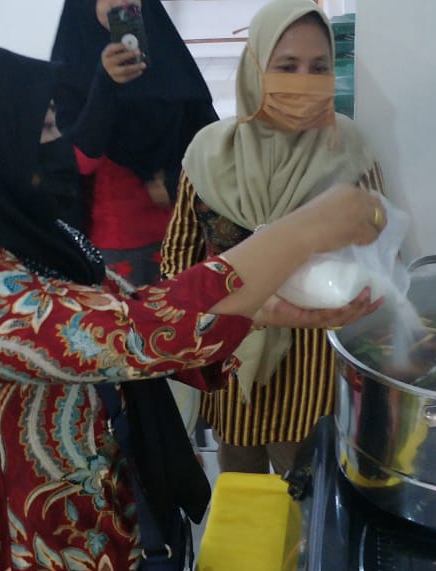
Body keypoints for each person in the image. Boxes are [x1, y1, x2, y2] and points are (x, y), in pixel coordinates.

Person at [0, 45, 384, 571]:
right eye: (40, 132)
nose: (57, 151)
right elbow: (130, 333)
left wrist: (264, 308)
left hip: (110, 551)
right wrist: (306, 228)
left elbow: (126, 311)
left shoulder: (19, 242)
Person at [162, 0, 387, 476]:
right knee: (242, 493)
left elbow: (379, 259)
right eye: (286, 66)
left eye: (318, 68)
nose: (304, 81)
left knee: (306, 492)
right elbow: (178, 260)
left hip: (313, 369)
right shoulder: (209, 155)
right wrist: (236, 307)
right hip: (231, 358)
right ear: (255, 68)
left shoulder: (350, 153)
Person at [50, 0, 219, 285]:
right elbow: (81, 160)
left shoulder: (168, 54)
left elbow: (209, 141)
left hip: (189, 229)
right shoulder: (72, 70)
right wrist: (105, 83)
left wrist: (173, 180)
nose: (122, 2)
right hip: (123, 245)